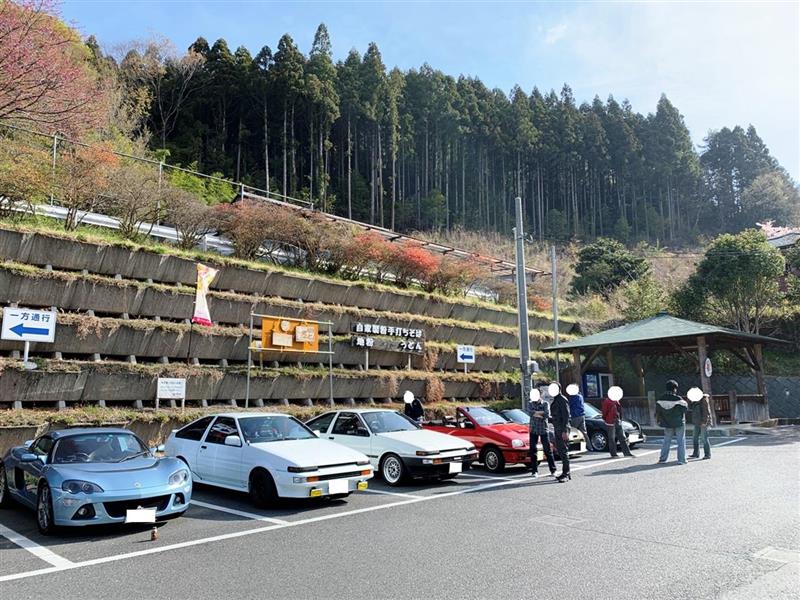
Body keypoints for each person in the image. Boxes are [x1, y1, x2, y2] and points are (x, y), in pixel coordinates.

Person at [656, 380, 689, 464]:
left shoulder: (660, 399)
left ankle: (662, 459)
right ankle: (681, 460)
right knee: (680, 441)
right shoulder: (678, 399)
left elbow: (658, 411)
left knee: (666, 440)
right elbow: (685, 409)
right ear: (674, 389)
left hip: (667, 423)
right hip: (679, 423)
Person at [527, 388, 556, 478]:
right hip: (533, 429)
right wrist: (541, 413)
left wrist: (536, 413)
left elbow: (547, 415)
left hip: (543, 429)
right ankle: (534, 471)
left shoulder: (545, 403)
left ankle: (553, 470)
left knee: (548, 450)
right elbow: (530, 413)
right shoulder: (530, 403)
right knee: (533, 450)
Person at [548, 382, 571, 482]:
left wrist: (565, 430)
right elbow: (556, 417)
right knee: (561, 452)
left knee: (563, 451)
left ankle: (566, 473)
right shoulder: (556, 400)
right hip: (557, 428)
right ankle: (566, 472)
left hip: (562, 428)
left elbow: (566, 416)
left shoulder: (562, 399)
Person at [601, 386, 633, 458]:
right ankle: (614, 454)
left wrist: (620, 419)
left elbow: (619, 410)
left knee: (622, 437)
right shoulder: (607, 401)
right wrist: (606, 419)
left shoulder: (616, 400)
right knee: (612, 438)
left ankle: (627, 453)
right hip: (610, 421)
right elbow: (604, 412)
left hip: (617, 420)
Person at [566, 383, 592, 452]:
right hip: (582, 415)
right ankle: (589, 447)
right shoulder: (580, 396)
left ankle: (571, 447)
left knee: (571, 431)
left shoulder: (573, 397)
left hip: (575, 416)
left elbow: (569, 405)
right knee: (583, 432)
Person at [689, 391, 712, 460]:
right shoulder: (694, 401)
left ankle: (707, 454)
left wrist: (704, 421)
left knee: (704, 438)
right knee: (695, 438)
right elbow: (689, 407)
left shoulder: (704, 400)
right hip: (697, 422)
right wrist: (690, 400)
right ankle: (696, 453)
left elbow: (706, 412)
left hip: (703, 422)